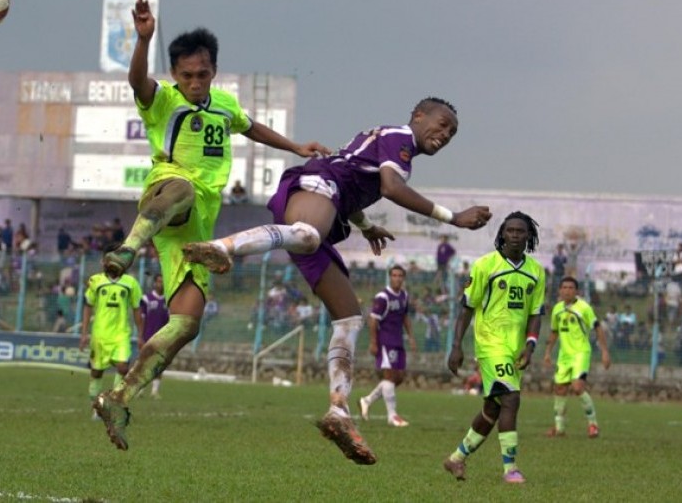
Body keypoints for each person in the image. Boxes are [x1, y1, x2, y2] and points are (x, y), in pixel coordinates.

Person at [183, 96, 492, 465]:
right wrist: (453, 216)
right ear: (418, 115)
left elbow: (353, 180)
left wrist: (365, 225)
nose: (445, 134)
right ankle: (221, 247)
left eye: (452, 132)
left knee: (348, 317)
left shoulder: (393, 144)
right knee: (308, 234)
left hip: (328, 198)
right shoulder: (400, 137)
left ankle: (339, 411)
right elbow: (389, 187)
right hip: (316, 185)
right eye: (441, 124)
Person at [92, 0, 329, 451]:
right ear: (175, 75)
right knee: (180, 188)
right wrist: (143, 40)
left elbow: (252, 127)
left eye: (202, 74)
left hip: (197, 228)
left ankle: (120, 397)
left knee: (186, 323)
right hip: (167, 194)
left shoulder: (222, 105)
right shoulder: (163, 100)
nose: (195, 82)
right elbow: (137, 80)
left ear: (213, 72)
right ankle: (126, 248)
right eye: (187, 75)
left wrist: (297, 148)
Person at [443, 211, 545, 484]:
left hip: (515, 349)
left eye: (520, 231)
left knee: (494, 409)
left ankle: (456, 459)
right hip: (490, 344)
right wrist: (456, 346)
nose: (514, 235)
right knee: (512, 399)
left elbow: (536, 313)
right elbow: (467, 308)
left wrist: (530, 346)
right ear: (501, 234)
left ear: (528, 236)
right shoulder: (485, 265)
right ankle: (510, 469)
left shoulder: (536, 272)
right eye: (509, 230)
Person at [543, 276, 611, 438]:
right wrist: (547, 352)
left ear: (577, 291)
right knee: (559, 389)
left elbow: (598, 328)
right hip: (564, 356)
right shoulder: (557, 309)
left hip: (581, 353)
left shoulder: (584, 308)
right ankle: (559, 429)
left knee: (577, 387)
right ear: (560, 290)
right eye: (564, 287)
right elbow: (554, 332)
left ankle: (593, 425)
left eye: (571, 288)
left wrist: (604, 351)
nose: (567, 290)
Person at [80, 266, 143, 421]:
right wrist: (84, 333)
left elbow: (136, 309)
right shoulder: (96, 280)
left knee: (123, 366)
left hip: (121, 334)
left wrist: (141, 335)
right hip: (100, 335)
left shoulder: (130, 282)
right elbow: (88, 306)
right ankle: (96, 407)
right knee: (96, 373)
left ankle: (112, 403)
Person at [359, 264, 416, 427]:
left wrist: (411, 337)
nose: (397, 278)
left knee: (399, 377)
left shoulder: (404, 296)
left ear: (403, 278)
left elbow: (405, 317)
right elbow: (373, 320)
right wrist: (373, 342)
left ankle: (367, 400)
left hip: (398, 341)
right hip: (385, 341)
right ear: (390, 277)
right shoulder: (382, 297)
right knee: (389, 376)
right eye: (394, 275)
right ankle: (392, 416)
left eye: (400, 275)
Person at [139, 273, 168, 399]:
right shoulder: (146, 299)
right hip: (147, 336)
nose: (160, 284)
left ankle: (155, 391)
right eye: (158, 282)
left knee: (159, 365)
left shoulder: (168, 300)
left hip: (162, 337)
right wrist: (140, 336)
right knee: (145, 364)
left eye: (162, 282)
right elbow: (142, 318)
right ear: (154, 283)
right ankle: (141, 389)